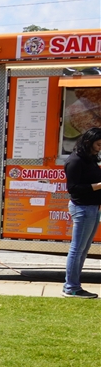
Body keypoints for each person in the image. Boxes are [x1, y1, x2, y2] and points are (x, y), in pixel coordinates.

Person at [63, 127, 101, 298]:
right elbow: (73, 188)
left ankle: (74, 285)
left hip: (92, 208)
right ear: (88, 142)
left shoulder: (89, 159)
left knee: (83, 249)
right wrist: (99, 186)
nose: (99, 148)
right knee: (77, 249)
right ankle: (71, 287)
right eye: (98, 144)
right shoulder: (75, 161)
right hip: (82, 208)